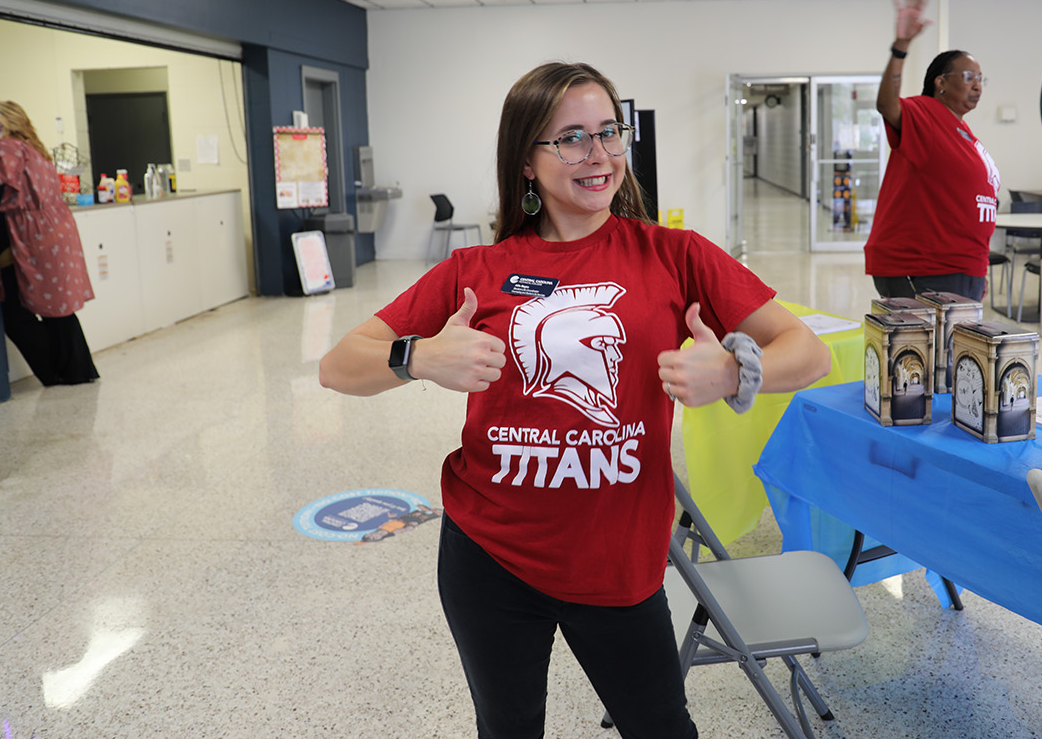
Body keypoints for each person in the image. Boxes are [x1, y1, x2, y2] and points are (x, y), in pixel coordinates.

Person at [318, 62, 830, 739]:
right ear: (527, 161)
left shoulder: (674, 255)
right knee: (509, 726)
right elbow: (336, 365)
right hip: (489, 553)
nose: (599, 153)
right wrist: (419, 356)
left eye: (608, 132)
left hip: (619, 559)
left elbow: (807, 349)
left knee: (661, 726)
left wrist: (736, 372)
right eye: (571, 137)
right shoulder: (476, 270)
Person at [866, 0, 1001, 301]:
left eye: (981, 79)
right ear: (941, 82)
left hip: (959, 266)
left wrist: (977, 267)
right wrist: (901, 47)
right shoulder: (924, 114)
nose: (977, 86)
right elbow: (887, 105)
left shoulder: (963, 133)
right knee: (930, 352)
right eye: (969, 77)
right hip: (923, 267)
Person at [0, 101, 98, 386]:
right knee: (59, 309)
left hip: (32, 237)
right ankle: (77, 371)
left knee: (19, 315)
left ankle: (57, 372)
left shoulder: (7, 148)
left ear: (2, 120)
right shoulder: (31, 147)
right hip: (55, 231)